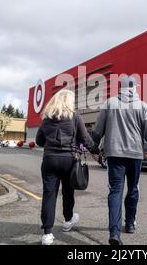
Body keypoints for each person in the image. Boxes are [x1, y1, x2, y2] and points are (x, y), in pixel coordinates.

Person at [92, 76, 147, 245]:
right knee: (133, 188)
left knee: (115, 191)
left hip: (114, 154)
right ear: (135, 87)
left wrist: (95, 147)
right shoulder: (142, 106)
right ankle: (129, 223)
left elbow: (98, 129)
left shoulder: (109, 103)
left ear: (120, 87)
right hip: (135, 154)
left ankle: (114, 233)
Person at [35, 89, 99, 246]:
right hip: (69, 160)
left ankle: (47, 234)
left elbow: (39, 141)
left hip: (49, 160)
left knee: (49, 194)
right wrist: (97, 152)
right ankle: (68, 220)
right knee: (68, 192)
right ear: (68, 102)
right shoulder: (75, 116)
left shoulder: (47, 118)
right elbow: (85, 138)